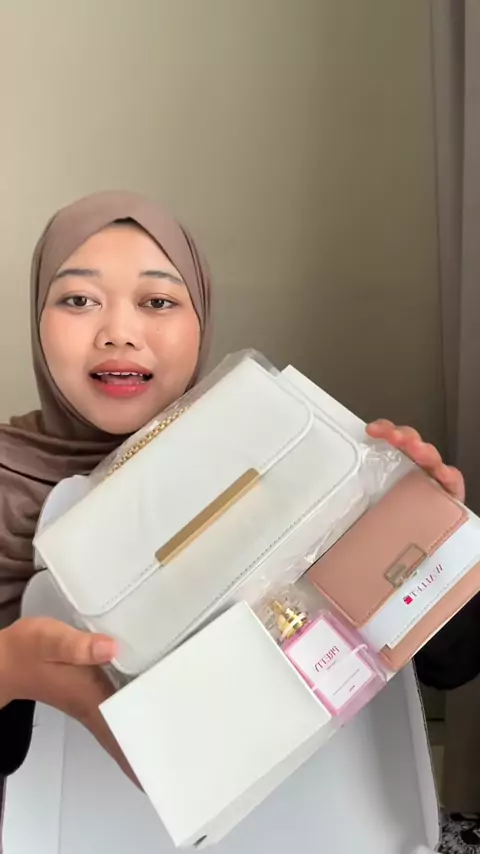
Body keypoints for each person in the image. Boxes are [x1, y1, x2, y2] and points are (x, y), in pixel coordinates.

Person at [0, 191, 465, 807]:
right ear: (38, 320)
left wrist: (433, 541)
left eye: (158, 301)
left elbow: (452, 666)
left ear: (201, 320)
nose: (119, 334)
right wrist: (10, 673)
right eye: (79, 301)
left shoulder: (297, 449)